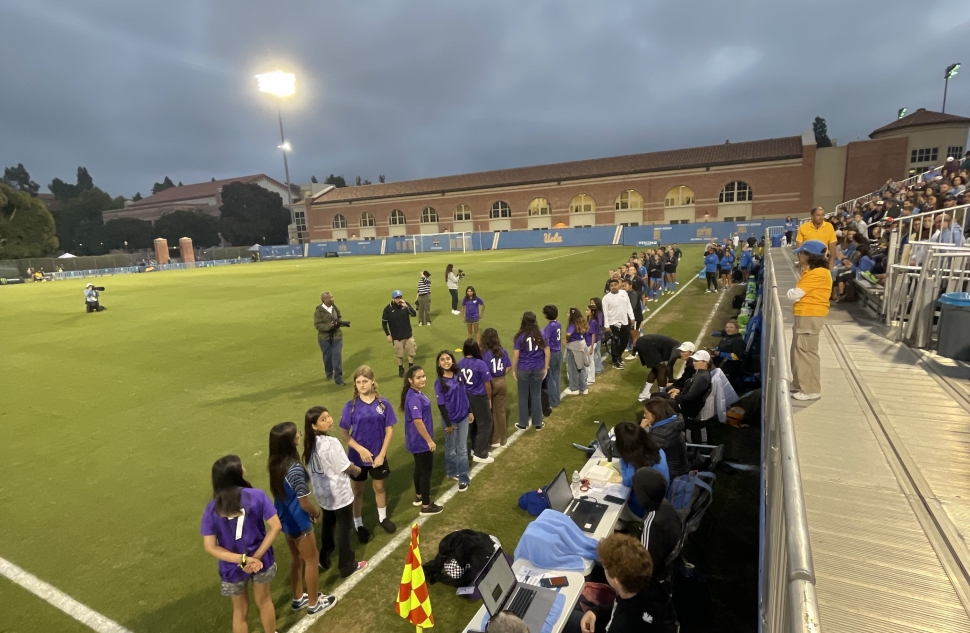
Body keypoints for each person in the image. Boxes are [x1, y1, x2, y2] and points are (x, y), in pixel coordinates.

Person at [200, 455, 282, 633]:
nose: (244, 468)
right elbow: (276, 527)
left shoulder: (212, 508)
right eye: (241, 466)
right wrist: (255, 558)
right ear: (235, 474)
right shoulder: (257, 495)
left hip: (232, 567)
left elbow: (210, 547)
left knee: (239, 611)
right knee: (264, 600)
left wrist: (243, 560)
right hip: (262, 560)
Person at [267, 422, 335, 615]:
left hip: (285, 519)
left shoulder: (275, 464)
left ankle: (298, 598)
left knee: (296, 559)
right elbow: (304, 502)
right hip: (299, 522)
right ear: (289, 442)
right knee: (312, 561)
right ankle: (314, 603)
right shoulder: (295, 469)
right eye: (295, 433)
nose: (299, 434)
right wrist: (315, 514)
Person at [303, 407, 367, 578]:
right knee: (345, 528)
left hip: (322, 493)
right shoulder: (331, 443)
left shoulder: (309, 443)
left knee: (328, 524)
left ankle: (324, 557)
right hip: (338, 493)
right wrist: (358, 471)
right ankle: (347, 564)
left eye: (328, 416)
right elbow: (346, 467)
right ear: (314, 426)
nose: (329, 420)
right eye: (323, 419)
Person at [566, 533, 672, 633]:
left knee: (565, 618)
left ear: (616, 579)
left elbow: (619, 616)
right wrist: (595, 613)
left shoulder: (622, 624)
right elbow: (617, 610)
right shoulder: (650, 586)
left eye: (605, 567)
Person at [339, 365, 397, 542]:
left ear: (372, 381)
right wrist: (361, 450)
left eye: (365, 381)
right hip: (357, 458)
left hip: (378, 457)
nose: (362, 385)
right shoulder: (350, 406)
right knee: (357, 491)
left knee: (379, 487)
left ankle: (382, 518)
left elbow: (389, 430)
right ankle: (359, 524)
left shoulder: (383, 404)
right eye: (358, 382)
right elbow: (344, 433)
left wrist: (381, 454)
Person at [787, 240, 832, 401]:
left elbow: (794, 294)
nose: (799, 256)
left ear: (809, 255)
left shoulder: (817, 273)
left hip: (810, 315)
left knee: (806, 352)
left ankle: (811, 389)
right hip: (806, 314)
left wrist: (790, 292)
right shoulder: (814, 272)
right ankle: (799, 383)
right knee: (799, 350)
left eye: (801, 253)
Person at [401, 365, 443, 514]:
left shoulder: (413, 394)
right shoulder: (414, 398)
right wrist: (429, 441)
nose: (423, 379)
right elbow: (418, 421)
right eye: (418, 377)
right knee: (426, 472)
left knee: (419, 467)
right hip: (421, 440)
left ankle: (419, 496)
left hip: (414, 439)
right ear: (410, 380)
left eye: (423, 376)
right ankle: (426, 505)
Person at [632, 467, 683, 584]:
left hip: (651, 576)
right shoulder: (664, 504)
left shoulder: (651, 524)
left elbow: (645, 564)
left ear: (643, 495)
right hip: (664, 560)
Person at [613, 422, 668, 519]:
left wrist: (625, 458)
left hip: (643, 511)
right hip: (662, 504)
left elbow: (627, 481)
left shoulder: (639, 467)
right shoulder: (658, 451)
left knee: (612, 506)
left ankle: (619, 526)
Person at [434, 350, 471, 492]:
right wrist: (449, 424)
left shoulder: (458, 375)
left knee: (461, 448)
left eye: (448, 358)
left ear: (453, 360)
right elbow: (441, 405)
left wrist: (470, 411)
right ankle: (450, 470)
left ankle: (463, 478)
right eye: (442, 359)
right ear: (439, 363)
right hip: (450, 420)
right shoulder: (439, 382)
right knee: (450, 447)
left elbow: (464, 394)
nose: (446, 361)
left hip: (463, 417)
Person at [458, 338, 495, 464]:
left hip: (465, 396)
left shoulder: (460, 362)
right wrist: (489, 398)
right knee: (486, 423)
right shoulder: (480, 364)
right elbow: (487, 383)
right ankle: (480, 453)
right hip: (478, 396)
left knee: (473, 423)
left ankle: (475, 448)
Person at [513, 311, 551, 431]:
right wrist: (546, 368)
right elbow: (547, 353)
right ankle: (538, 423)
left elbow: (516, 356)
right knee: (536, 395)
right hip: (538, 367)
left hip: (524, 368)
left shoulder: (520, 336)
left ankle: (523, 423)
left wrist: (514, 370)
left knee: (523, 396)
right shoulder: (541, 334)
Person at [668, 350, 713, 443]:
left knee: (659, 405)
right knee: (658, 398)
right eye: (693, 360)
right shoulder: (699, 373)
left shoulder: (702, 377)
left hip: (687, 408)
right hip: (685, 403)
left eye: (697, 361)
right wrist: (679, 390)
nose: (694, 363)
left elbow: (689, 397)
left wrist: (676, 396)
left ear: (705, 362)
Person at [641, 398, 688, 480]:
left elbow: (643, 455)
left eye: (646, 413)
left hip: (671, 476)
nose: (644, 416)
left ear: (655, 414)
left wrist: (640, 429)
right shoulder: (671, 422)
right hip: (679, 469)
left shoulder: (661, 433)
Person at [481, 328, 512, 447]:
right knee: (501, 411)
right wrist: (502, 374)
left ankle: (494, 439)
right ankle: (503, 438)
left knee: (491, 411)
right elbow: (509, 366)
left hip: (490, 383)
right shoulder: (502, 350)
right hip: (502, 382)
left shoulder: (484, 353)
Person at [633, 334, 681, 400]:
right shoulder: (678, 350)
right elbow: (669, 366)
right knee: (662, 369)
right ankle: (662, 395)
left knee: (656, 369)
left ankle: (644, 394)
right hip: (647, 344)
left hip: (644, 342)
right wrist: (671, 379)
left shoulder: (677, 347)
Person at [382, 290, 418, 378]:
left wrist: (406, 307)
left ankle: (411, 368)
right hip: (396, 337)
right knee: (399, 354)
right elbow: (384, 322)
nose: (399, 299)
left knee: (411, 352)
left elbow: (414, 314)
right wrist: (388, 334)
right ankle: (401, 369)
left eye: (400, 297)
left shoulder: (405, 305)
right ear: (393, 299)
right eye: (397, 298)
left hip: (408, 334)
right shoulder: (388, 309)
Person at [314, 291, 345, 385]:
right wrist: (329, 326)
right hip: (324, 338)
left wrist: (341, 323)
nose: (332, 299)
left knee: (337, 357)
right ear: (324, 300)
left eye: (332, 297)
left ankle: (338, 378)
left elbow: (338, 317)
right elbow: (318, 325)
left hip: (336, 336)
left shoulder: (334, 307)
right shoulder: (319, 311)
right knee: (327, 357)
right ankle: (329, 373)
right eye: (330, 298)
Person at [602, 279, 634, 369]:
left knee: (624, 341)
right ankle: (615, 361)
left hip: (624, 321)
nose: (613, 287)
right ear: (609, 287)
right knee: (615, 343)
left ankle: (618, 356)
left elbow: (628, 306)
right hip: (613, 323)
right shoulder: (606, 298)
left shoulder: (624, 293)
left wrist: (632, 317)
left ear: (618, 285)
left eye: (615, 285)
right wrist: (607, 325)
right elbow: (605, 312)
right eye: (611, 285)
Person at [563, 307, 590, 396]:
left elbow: (568, 334)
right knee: (581, 367)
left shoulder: (572, 325)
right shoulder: (581, 323)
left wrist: (567, 340)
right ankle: (584, 388)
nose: (567, 315)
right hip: (582, 345)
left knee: (572, 368)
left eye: (569, 313)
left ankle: (574, 389)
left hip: (574, 347)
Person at [713, 319, 746, 389]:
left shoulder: (738, 341)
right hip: (721, 362)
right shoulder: (727, 337)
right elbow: (721, 347)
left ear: (737, 329)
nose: (728, 329)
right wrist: (715, 350)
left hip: (729, 367)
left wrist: (720, 354)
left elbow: (736, 356)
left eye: (731, 327)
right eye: (727, 327)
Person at [541, 305, 563, 408]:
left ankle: (553, 401)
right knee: (557, 376)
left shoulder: (550, 327)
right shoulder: (558, 324)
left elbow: (546, 341)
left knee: (551, 378)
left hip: (553, 353)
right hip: (559, 352)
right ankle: (557, 397)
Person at [622, 278, 644, 360]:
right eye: (623, 286)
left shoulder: (633, 294)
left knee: (634, 336)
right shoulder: (628, 294)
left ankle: (634, 353)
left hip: (635, 318)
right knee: (631, 336)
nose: (623, 287)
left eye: (625, 285)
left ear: (630, 286)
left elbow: (632, 306)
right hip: (632, 318)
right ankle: (636, 349)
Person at [585, 303, 602, 384]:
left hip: (590, 343)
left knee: (590, 361)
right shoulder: (590, 320)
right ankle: (588, 377)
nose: (586, 311)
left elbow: (593, 335)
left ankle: (591, 379)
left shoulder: (592, 322)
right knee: (588, 361)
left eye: (588, 310)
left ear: (592, 312)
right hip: (588, 343)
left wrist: (591, 347)